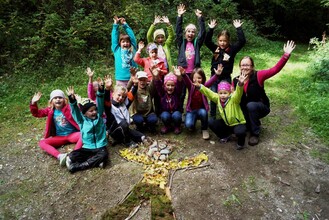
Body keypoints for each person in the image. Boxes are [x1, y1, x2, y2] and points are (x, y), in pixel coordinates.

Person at [233, 40, 296, 146]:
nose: (245, 67)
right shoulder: (235, 80)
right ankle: (249, 123)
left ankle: (255, 134)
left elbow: (275, 69)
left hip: (261, 107)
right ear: (240, 67)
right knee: (243, 125)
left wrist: (286, 55)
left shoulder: (259, 75)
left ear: (252, 67)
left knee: (251, 105)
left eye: (248, 65)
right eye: (243, 65)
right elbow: (233, 98)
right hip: (245, 109)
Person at [194, 74, 248, 150]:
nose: (223, 95)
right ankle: (225, 136)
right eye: (221, 93)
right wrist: (200, 86)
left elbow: (238, 93)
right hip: (227, 123)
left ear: (229, 93)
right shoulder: (217, 98)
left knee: (240, 132)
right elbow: (209, 93)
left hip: (237, 123)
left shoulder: (234, 99)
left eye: (225, 93)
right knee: (210, 122)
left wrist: (240, 84)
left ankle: (241, 143)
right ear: (218, 93)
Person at [205, 19, 246, 118]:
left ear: (228, 41)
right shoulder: (216, 49)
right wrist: (211, 29)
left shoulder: (232, 49)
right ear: (218, 40)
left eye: (225, 41)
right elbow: (207, 41)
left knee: (226, 96)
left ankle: (227, 113)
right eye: (220, 41)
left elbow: (242, 42)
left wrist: (238, 28)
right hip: (214, 77)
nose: (222, 43)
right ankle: (213, 115)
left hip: (226, 78)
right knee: (214, 95)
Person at [65, 79, 108, 173]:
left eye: (95, 110)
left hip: (100, 146)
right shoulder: (81, 120)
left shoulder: (99, 118)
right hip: (88, 147)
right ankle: (96, 162)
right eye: (91, 111)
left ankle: (81, 166)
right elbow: (75, 110)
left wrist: (101, 90)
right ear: (84, 113)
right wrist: (72, 100)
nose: (94, 112)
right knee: (73, 155)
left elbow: (100, 102)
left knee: (104, 155)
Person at [30, 89, 82, 165]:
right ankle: (60, 156)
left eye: (60, 97)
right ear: (51, 101)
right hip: (60, 137)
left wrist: (75, 100)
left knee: (84, 134)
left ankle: (73, 156)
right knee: (42, 142)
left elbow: (78, 110)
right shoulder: (50, 110)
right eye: (55, 98)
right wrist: (33, 103)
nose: (58, 99)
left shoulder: (69, 108)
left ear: (64, 100)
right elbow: (36, 113)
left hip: (72, 134)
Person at [175, 3, 206, 111]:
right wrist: (179, 16)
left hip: (194, 73)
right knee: (182, 93)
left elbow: (203, 33)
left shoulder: (196, 43)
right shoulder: (182, 42)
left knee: (195, 92)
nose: (191, 33)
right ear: (185, 33)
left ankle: (193, 110)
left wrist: (200, 18)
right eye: (188, 31)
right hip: (183, 72)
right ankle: (179, 112)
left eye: (193, 31)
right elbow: (177, 32)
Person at [182, 64, 224, 140]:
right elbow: (186, 80)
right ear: (192, 78)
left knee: (203, 113)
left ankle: (204, 129)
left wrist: (217, 75)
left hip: (201, 110)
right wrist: (184, 75)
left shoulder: (204, 86)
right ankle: (192, 122)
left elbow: (211, 82)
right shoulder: (190, 86)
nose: (197, 80)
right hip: (191, 111)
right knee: (188, 125)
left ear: (203, 78)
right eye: (194, 78)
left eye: (199, 78)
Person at [105, 83, 147, 148]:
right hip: (114, 130)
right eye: (119, 95)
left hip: (125, 129)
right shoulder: (110, 107)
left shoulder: (123, 105)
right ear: (113, 94)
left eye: (123, 97)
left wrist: (135, 84)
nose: (120, 98)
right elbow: (106, 101)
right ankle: (128, 142)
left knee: (136, 134)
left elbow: (131, 95)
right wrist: (107, 89)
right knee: (124, 124)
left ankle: (143, 138)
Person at [152, 66, 183, 134]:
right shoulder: (162, 93)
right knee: (164, 116)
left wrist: (179, 76)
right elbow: (158, 85)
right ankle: (167, 126)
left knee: (177, 116)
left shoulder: (177, 92)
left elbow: (180, 84)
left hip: (176, 112)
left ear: (175, 86)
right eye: (168, 85)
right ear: (164, 85)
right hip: (166, 112)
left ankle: (177, 126)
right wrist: (156, 76)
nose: (170, 87)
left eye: (172, 85)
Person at [111, 16, 137, 87]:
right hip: (120, 79)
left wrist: (125, 25)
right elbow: (114, 38)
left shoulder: (133, 49)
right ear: (120, 43)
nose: (125, 43)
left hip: (133, 78)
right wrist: (115, 25)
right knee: (120, 97)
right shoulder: (116, 50)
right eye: (123, 42)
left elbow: (132, 37)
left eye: (127, 42)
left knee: (133, 97)